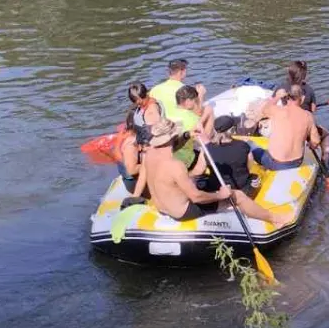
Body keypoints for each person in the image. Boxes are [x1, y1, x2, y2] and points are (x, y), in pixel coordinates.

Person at [143, 119, 285, 225]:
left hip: (163, 208)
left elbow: (171, 146)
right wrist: (220, 195)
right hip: (183, 212)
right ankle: (275, 219)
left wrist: (187, 135)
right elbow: (196, 197)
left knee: (197, 182)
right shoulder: (175, 165)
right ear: (173, 138)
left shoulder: (149, 155)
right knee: (238, 195)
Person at [254, 86, 321, 173]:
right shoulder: (308, 116)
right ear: (302, 98)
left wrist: (277, 97)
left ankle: (264, 169)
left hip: (275, 162)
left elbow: (264, 109)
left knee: (255, 151)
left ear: (287, 97)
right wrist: (311, 145)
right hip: (296, 162)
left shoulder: (277, 111)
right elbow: (316, 141)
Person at [284, 60, 329, 162]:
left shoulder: (281, 87)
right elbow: (312, 111)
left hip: (285, 123)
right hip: (303, 127)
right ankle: (325, 157)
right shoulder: (309, 90)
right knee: (326, 134)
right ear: (304, 75)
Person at [198, 115, 256, 192]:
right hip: (241, 186)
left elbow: (199, 170)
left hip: (219, 188)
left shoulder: (207, 149)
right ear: (232, 130)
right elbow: (249, 166)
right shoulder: (243, 145)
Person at [118, 82, 155, 197]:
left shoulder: (135, 137)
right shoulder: (131, 144)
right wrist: (150, 163)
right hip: (134, 184)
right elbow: (131, 170)